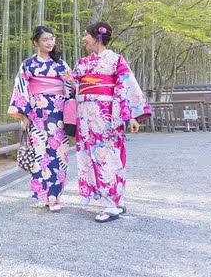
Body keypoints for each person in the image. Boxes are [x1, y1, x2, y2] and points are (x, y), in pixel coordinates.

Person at [63, 22, 151, 223]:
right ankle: (111, 199)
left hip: (106, 116)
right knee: (89, 156)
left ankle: (112, 204)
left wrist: (130, 116)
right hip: (85, 116)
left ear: (97, 37)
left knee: (107, 155)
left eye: (86, 35)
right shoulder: (83, 62)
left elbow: (125, 86)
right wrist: (71, 81)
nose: (84, 39)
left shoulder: (116, 60)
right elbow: (77, 88)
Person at [8, 26, 73, 213]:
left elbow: (70, 89)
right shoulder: (28, 65)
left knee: (59, 155)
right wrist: (23, 115)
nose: (50, 42)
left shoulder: (61, 64)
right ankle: (43, 195)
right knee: (40, 154)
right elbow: (21, 88)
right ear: (35, 42)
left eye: (52, 39)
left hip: (58, 115)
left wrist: (71, 82)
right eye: (45, 39)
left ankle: (56, 197)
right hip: (37, 114)